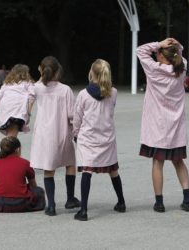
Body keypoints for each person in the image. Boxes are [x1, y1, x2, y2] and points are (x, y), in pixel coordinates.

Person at [137, 38, 189, 213]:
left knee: (157, 162)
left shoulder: (154, 69)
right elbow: (181, 54)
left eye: (157, 53)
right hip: (175, 126)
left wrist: (158, 43)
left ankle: (159, 202)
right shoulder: (181, 68)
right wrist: (176, 45)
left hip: (157, 126)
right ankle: (187, 198)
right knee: (178, 162)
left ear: (161, 55)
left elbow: (140, 50)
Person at [72, 59, 126, 221]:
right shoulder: (113, 92)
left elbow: (77, 118)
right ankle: (121, 202)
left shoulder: (83, 94)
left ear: (92, 73)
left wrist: (76, 134)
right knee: (113, 171)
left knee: (87, 171)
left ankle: (83, 210)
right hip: (107, 138)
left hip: (88, 138)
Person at [29, 56, 80, 216]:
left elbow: (28, 98)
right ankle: (70, 198)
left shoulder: (37, 88)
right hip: (62, 132)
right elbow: (72, 114)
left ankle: (51, 205)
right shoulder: (65, 90)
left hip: (44, 133)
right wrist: (77, 130)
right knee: (70, 163)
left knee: (48, 168)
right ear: (58, 71)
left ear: (41, 70)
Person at [0, 136, 45, 212]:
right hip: (22, 202)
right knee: (39, 191)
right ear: (17, 149)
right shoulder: (25, 163)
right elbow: (33, 185)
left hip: (1, 204)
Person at [0, 64, 34, 137]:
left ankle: (10, 147)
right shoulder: (28, 83)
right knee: (12, 137)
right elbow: (32, 97)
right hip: (18, 112)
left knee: (9, 135)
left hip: (6, 112)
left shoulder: (7, 84)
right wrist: (28, 113)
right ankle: (9, 148)